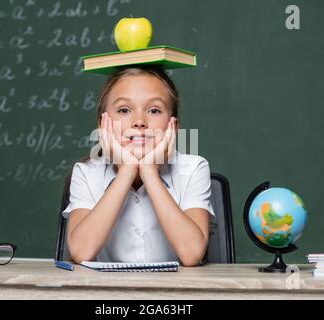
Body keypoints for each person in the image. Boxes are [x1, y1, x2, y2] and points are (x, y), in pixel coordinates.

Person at [62, 66, 215, 267]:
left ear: (173, 126)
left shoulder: (193, 168)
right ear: (103, 126)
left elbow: (192, 253)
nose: (139, 122)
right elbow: (81, 251)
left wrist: (149, 170)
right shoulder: (86, 173)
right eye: (124, 110)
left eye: (154, 110)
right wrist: (126, 170)